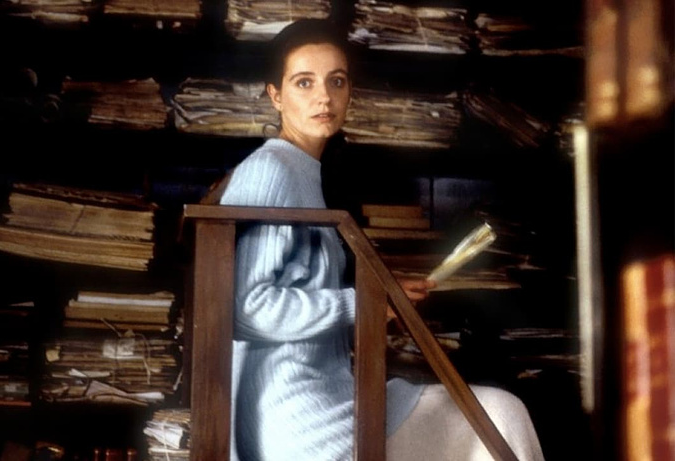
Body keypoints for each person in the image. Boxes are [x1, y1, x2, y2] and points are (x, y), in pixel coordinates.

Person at [219, 18, 544, 461]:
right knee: (500, 415)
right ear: (275, 95)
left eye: (337, 81)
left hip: (334, 393)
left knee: (501, 413)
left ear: (350, 91)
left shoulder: (304, 171)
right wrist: (365, 303)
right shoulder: (270, 169)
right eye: (304, 82)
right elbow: (245, 308)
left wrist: (385, 297)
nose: (324, 97)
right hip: (296, 415)